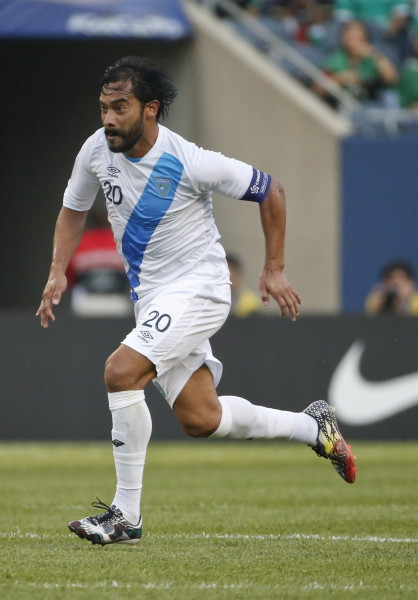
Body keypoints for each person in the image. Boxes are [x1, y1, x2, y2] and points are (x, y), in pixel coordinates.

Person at [36, 56, 356, 547]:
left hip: (200, 288)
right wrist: (57, 270)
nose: (107, 119)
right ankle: (312, 427)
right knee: (201, 419)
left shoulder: (189, 161)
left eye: (119, 108)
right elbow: (73, 209)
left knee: (120, 371)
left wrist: (273, 268)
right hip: (154, 299)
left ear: (150, 109)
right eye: (103, 107)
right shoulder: (95, 151)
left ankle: (125, 515)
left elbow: (271, 191)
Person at [66, 208, 131, 317]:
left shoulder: (79, 243)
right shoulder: (123, 242)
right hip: (117, 302)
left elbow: (68, 277)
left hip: (86, 303)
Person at [317, 20, 399, 104]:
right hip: (341, 103)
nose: (353, 43)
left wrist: (374, 55)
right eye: (350, 38)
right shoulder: (337, 59)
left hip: (369, 104)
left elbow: (391, 79)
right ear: (343, 39)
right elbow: (318, 89)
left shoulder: (372, 59)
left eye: (358, 38)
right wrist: (340, 79)